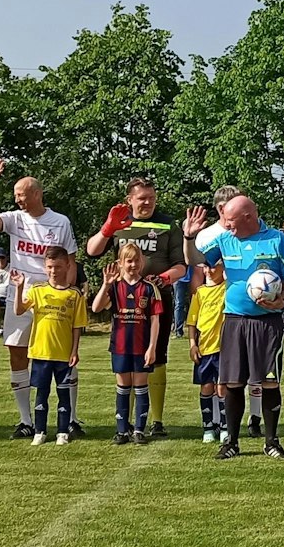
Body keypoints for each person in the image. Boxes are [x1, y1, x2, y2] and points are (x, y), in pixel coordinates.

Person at [0, 159, 79, 440]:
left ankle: (70, 419)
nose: (17, 199)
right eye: (15, 196)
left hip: (53, 297)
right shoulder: (14, 219)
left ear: (36, 193)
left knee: (63, 356)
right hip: (20, 295)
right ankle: (26, 421)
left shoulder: (59, 222)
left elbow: (70, 259)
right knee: (17, 353)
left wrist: (70, 292)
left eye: (21, 194)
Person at [197, 193, 284, 459]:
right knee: (232, 382)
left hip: (268, 323)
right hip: (233, 320)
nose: (226, 225)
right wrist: (189, 238)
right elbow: (196, 262)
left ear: (248, 217)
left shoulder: (276, 239)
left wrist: (283, 301)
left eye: (230, 220)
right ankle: (231, 442)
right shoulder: (224, 239)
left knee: (269, 382)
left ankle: (271, 441)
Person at [85, 176, 189, 437]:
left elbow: (181, 266)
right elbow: (92, 250)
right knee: (126, 358)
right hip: (123, 299)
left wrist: (164, 278)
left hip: (156, 298)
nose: (148, 203)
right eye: (142, 198)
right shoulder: (121, 222)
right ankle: (126, 423)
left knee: (156, 356)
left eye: (152, 198)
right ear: (129, 199)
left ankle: (157, 420)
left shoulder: (167, 224)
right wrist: (107, 229)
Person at [10, 247, 88, 446]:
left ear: (67, 266)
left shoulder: (74, 295)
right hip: (41, 352)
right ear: (45, 268)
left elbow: (77, 325)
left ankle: (62, 431)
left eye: (58, 267)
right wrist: (19, 288)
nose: (54, 271)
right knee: (41, 393)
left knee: (63, 393)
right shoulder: (37, 290)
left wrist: (74, 350)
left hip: (63, 354)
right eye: (50, 267)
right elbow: (19, 310)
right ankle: (40, 431)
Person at [92, 243, 165, 445]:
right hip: (120, 346)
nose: (132, 265)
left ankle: (139, 430)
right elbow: (97, 308)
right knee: (123, 387)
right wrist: (105, 284)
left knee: (141, 386)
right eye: (128, 261)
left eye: (136, 260)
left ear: (141, 262)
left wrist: (152, 347)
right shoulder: (115, 287)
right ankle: (122, 430)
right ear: (121, 263)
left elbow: (155, 320)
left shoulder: (149, 288)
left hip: (142, 348)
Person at [187, 263, 227, 442]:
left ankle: (225, 427)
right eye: (207, 267)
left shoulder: (227, 288)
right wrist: (192, 344)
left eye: (214, 267)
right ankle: (208, 427)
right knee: (206, 387)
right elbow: (192, 323)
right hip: (204, 349)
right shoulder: (200, 293)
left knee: (222, 388)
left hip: (224, 349)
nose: (210, 271)